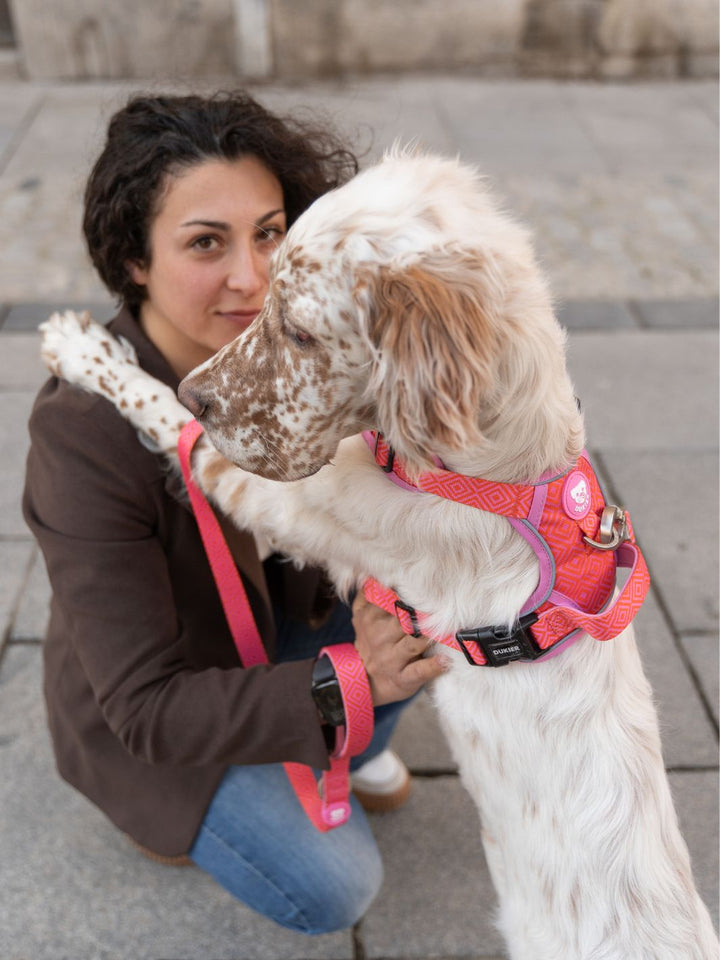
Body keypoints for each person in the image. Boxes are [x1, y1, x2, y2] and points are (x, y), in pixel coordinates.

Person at [22, 91, 446, 935]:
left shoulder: (297, 346)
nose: (253, 278)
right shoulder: (83, 433)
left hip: (287, 621)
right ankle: (230, 782)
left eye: (269, 230)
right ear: (134, 259)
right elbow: (144, 704)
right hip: (168, 703)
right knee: (334, 887)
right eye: (205, 243)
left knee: (440, 587)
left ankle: (343, 739)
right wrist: (345, 681)